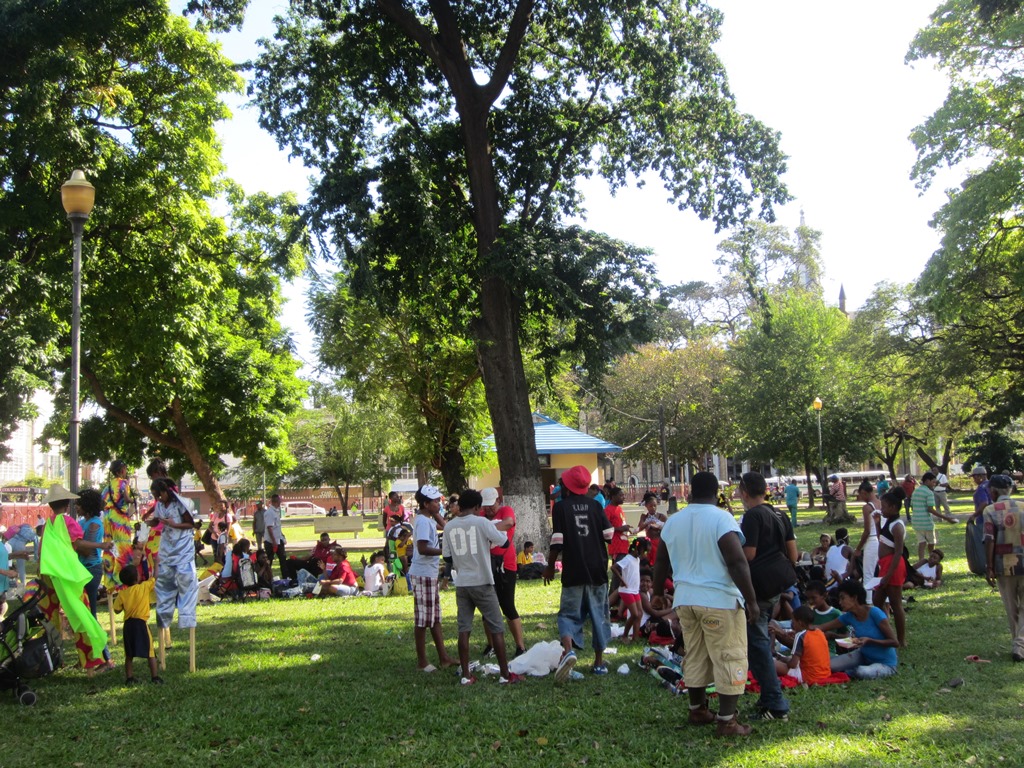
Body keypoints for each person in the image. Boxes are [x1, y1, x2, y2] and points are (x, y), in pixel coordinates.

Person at [653, 471, 759, 737]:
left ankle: (698, 709)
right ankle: (727, 721)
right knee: (729, 655)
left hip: (685, 601)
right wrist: (752, 600)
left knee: (696, 654)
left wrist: (656, 592)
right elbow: (736, 561)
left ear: (689, 492)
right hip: (719, 600)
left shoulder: (673, 522)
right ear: (716, 493)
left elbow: (661, 562)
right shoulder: (721, 518)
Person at [543, 465, 614, 681]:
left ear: (567, 486)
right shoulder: (595, 506)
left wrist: (549, 567)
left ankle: (569, 651)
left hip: (573, 569)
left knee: (568, 614)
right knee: (599, 614)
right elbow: (609, 535)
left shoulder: (561, 508)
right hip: (597, 569)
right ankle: (599, 663)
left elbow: (557, 541)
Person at [443, 489, 520, 685]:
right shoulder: (482, 522)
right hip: (483, 581)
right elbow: (503, 543)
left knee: (464, 629)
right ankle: (505, 674)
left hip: (462, 583)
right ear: (477, 507)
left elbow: (448, 557)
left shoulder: (449, 527)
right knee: (497, 628)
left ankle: (466, 675)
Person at [738, 471, 797, 722]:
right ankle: (767, 696)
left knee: (758, 645)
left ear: (744, 492)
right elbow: (793, 554)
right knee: (757, 641)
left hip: (758, 588)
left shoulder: (752, 516)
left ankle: (775, 703)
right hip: (776, 586)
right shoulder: (779, 513)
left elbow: (748, 555)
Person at [408, 485, 455, 672]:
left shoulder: (427, 519)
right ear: (426, 504)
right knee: (422, 620)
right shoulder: (422, 522)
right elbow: (422, 548)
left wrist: (435, 513)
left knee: (435, 618)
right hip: (422, 574)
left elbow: (446, 527)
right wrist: (445, 552)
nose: (439, 504)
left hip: (429, 573)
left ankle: (444, 657)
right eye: (435, 502)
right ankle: (422, 662)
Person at [145, 477, 198, 635]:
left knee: (186, 580)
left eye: (159, 495)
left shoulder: (179, 504)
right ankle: (163, 618)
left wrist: (174, 524)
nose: (158, 499)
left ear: (165, 491)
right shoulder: (160, 505)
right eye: (155, 497)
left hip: (182, 548)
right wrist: (149, 522)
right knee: (164, 582)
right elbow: (157, 521)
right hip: (167, 547)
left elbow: (190, 524)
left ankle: (187, 618)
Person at [479, 487, 525, 658]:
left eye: (491, 505)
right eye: (486, 506)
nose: (489, 509)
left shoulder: (506, 510)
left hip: (506, 565)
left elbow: (508, 522)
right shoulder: (481, 515)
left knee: (507, 606)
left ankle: (520, 646)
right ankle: (490, 645)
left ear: (498, 500)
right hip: (486, 565)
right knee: (487, 608)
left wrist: (487, 529)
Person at [982, 474, 1024, 661]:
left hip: (1004, 565)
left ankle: (1018, 643)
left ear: (993, 491)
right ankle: (1019, 645)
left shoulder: (990, 510)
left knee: (1011, 607)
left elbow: (989, 540)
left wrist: (989, 566)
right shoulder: (1023, 506)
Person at [820, 580, 899, 679]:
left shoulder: (875, 613)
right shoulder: (849, 616)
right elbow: (823, 627)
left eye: (842, 598)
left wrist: (869, 641)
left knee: (861, 672)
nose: (840, 602)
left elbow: (894, 642)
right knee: (830, 666)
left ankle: (849, 671)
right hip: (863, 655)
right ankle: (848, 670)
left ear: (854, 598)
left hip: (886, 664)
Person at [76, 488, 114, 666]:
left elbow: (85, 548)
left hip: (91, 570)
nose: (76, 506)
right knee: (82, 614)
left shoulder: (94, 524)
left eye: (79, 503)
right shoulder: (83, 522)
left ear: (87, 505)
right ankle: (87, 657)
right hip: (82, 570)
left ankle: (107, 659)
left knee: (91, 615)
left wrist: (74, 543)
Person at [113, 563, 162, 684]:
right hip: (141, 624)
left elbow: (116, 609)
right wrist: (157, 563)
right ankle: (155, 677)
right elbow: (156, 576)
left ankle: (129, 678)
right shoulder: (144, 587)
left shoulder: (122, 594)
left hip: (128, 625)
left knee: (129, 654)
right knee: (150, 652)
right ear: (137, 578)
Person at [873, 488, 908, 648]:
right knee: (877, 601)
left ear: (894, 507)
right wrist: (878, 524)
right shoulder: (889, 522)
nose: (882, 509)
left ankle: (901, 640)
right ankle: (883, 634)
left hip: (893, 566)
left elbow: (899, 551)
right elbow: (883, 539)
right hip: (884, 565)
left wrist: (889, 574)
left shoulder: (897, 526)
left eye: (884, 506)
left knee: (895, 603)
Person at [773, 605, 831, 684]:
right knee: (786, 659)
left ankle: (777, 659)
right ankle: (780, 658)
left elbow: (793, 664)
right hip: (824, 674)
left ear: (800, 623)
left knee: (772, 663)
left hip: (808, 676)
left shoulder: (800, 636)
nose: (793, 625)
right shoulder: (819, 632)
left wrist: (786, 663)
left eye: (793, 622)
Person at [101, 459, 136, 591]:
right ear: (121, 470)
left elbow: (103, 500)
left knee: (110, 546)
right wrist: (134, 500)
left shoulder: (108, 485)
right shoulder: (123, 482)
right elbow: (127, 499)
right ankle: (121, 581)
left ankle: (109, 582)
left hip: (108, 517)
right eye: (125, 469)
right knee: (123, 548)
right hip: (119, 519)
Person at [910, 472, 957, 561]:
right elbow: (930, 509)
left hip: (916, 522)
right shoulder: (929, 493)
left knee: (921, 543)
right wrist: (946, 518)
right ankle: (932, 560)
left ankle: (921, 561)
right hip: (926, 523)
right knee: (931, 543)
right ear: (927, 481)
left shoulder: (915, 491)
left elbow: (912, 506)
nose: (934, 484)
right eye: (933, 482)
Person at [611, 539, 643, 643]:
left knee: (640, 613)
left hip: (634, 590)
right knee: (634, 614)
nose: (644, 554)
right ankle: (624, 635)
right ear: (638, 549)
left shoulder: (637, 559)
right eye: (644, 551)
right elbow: (613, 567)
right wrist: (622, 580)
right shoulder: (628, 559)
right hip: (626, 590)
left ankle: (635, 637)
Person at [853, 480, 882, 589]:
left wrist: (858, 548)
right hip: (882, 540)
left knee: (868, 575)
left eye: (861, 495)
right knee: (881, 572)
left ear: (864, 492)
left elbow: (867, 531)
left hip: (871, 541)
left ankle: (868, 601)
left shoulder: (867, 507)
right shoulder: (881, 503)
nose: (861, 497)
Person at [262, 493, 286, 577]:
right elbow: (270, 528)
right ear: (276, 501)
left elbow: (277, 526)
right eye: (279, 501)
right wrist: (274, 541)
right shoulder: (270, 512)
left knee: (283, 560)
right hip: (271, 541)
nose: (280, 503)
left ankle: (285, 577)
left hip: (279, 539)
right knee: (269, 560)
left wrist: (282, 536)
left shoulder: (276, 511)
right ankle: (267, 577)